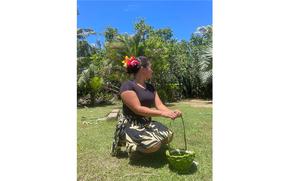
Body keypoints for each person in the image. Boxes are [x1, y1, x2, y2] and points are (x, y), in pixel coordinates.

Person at [111, 56, 182, 158]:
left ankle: (142, 143)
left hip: (146, 123)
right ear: (143, 69)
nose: (152, 71)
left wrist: (171, 112)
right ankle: (131, 146)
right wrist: (162, 113)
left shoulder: (150, 87)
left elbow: (160, 105)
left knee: (168, 135)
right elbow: (138, 109)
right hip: (131, 124)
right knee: (154, 145)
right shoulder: (127, 86)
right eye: (150, 67)